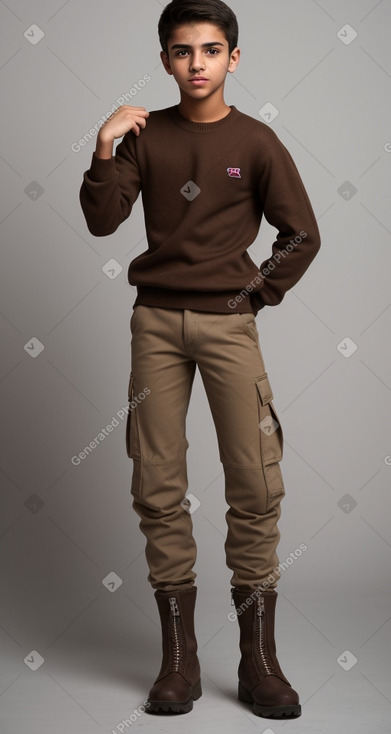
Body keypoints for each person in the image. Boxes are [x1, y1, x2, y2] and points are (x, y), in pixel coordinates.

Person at [79, 0, 321, 719]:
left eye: (210, 50)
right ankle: (177, 664)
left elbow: (299, 235)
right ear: (164, 61)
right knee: (156, 483)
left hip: (227, 326)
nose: (196, 63)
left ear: (232, 60)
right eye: (182, 51)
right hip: (153, 321)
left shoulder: (258, 140)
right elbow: (101, 221)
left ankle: (257, 662)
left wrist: (251, 296)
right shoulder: (145, 138)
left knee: (254, 482)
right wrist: (102, 146)